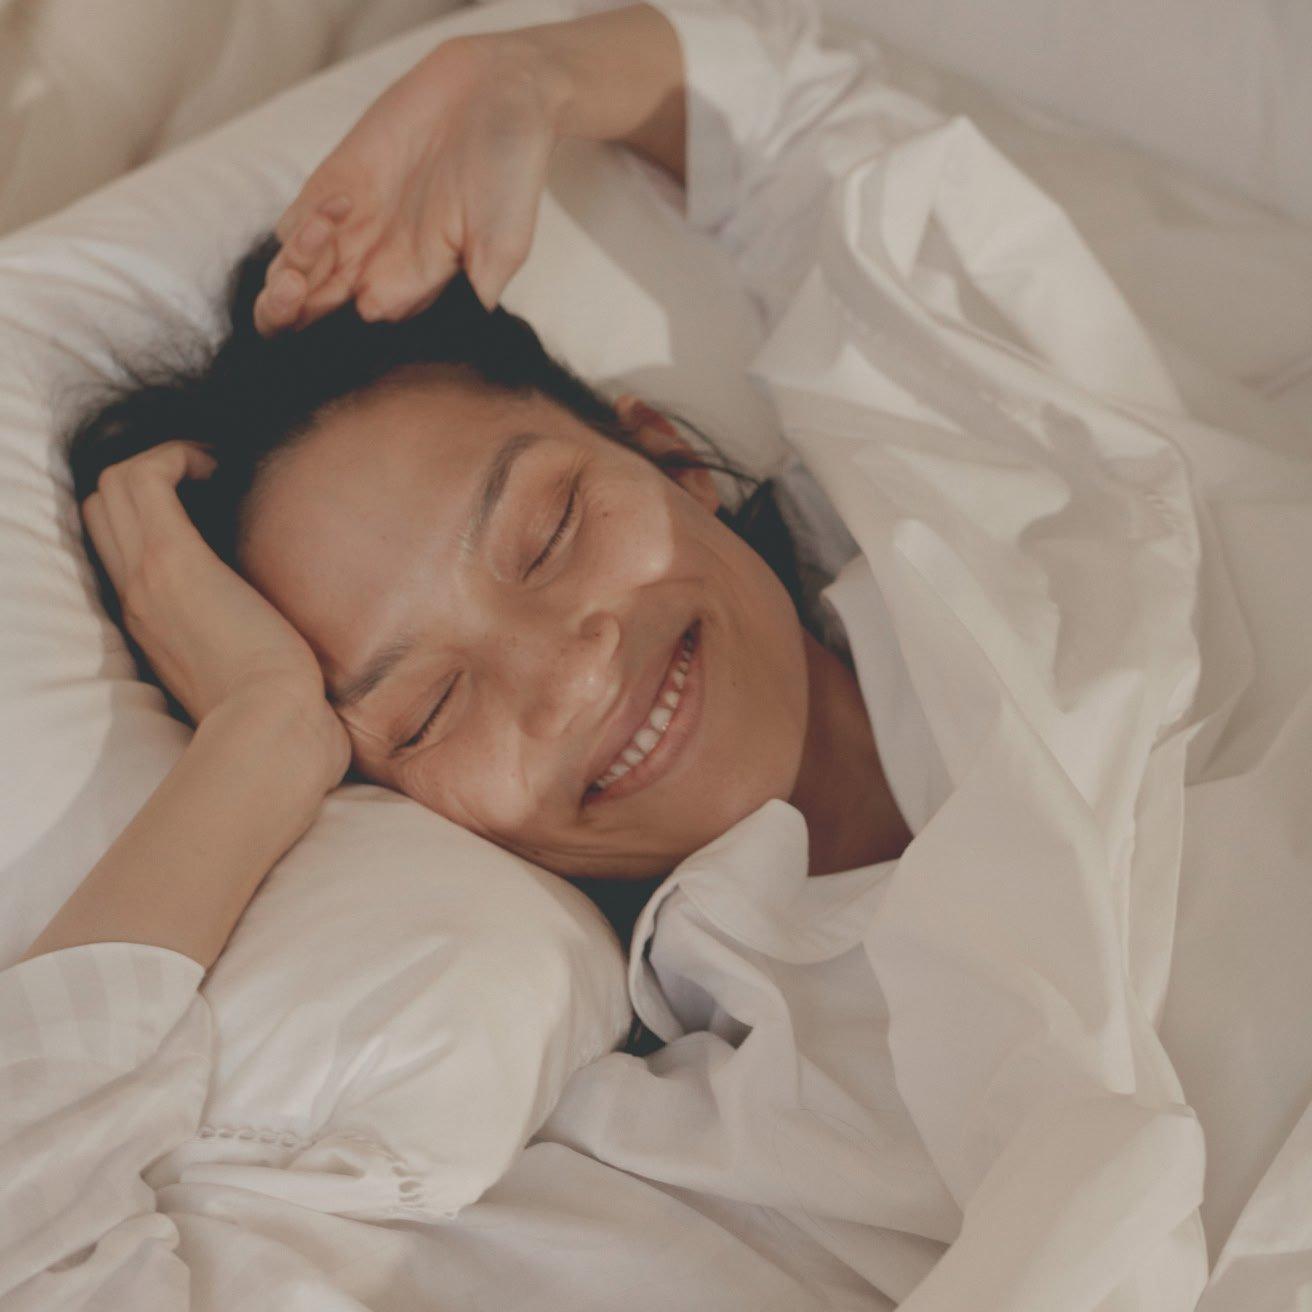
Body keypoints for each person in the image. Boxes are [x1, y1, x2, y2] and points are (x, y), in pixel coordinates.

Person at [30, 1, 912, 974]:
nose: (572, 678)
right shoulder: (658, 1116)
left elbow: (807, 121)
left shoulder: (971, 460)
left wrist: (521, 77)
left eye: (549, 533)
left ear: (673, 460)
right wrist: (259, 732)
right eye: (428, 710)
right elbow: (61, 1121)